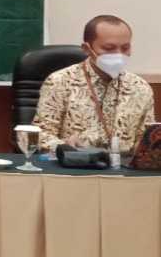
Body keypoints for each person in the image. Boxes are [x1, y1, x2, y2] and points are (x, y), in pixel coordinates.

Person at [33, 15, 155, 153]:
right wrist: (62, 146)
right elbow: (40, 134)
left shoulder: (140, 88)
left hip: (123, 164)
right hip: (74, 162)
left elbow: (145, 141)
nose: (118, 54)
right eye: (109, 48)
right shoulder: (60, 82)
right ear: (87, 48)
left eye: (125, 48)